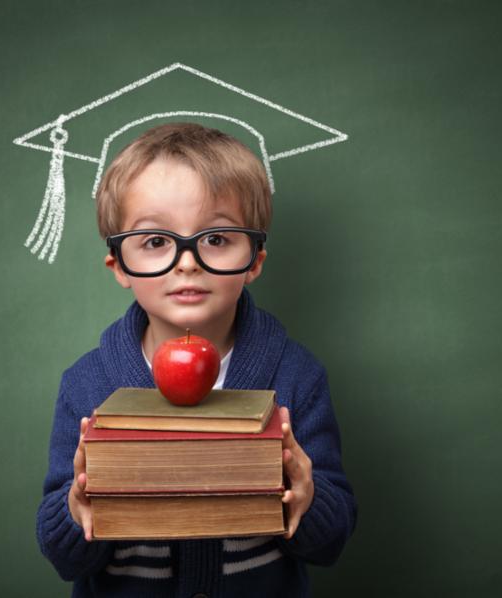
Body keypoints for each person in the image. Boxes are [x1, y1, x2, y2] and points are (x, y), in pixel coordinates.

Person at [36, 122, 357, 598]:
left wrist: (306, 500)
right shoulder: (87, 384)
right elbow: (63, 556)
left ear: (254, 259)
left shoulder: (296, 375)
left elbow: (330, 544)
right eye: (155, 242)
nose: (187, 262)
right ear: (119, 265)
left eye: (215, 239)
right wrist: (77, 509)